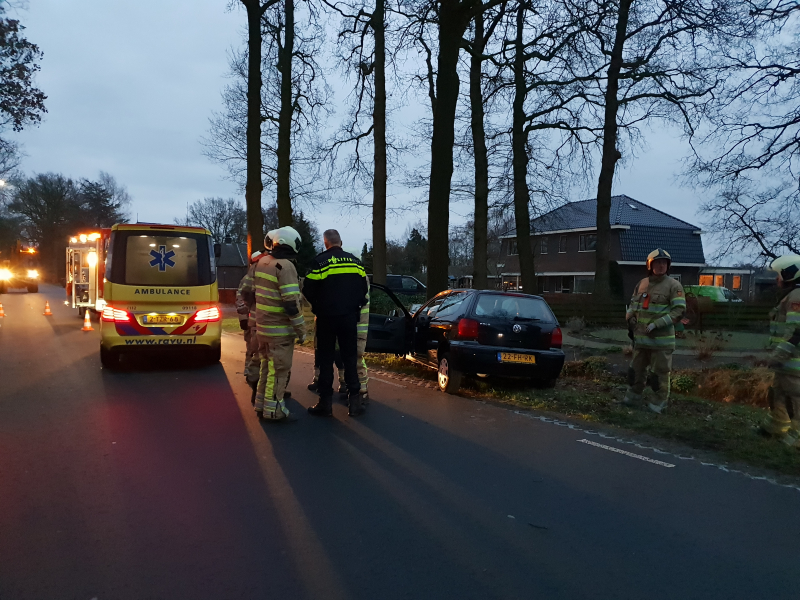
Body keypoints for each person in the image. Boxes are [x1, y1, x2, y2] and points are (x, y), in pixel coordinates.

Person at [302, 229, 369, 417]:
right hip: (349, 318)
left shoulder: (319, 262)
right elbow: (363, 290)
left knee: (325, 359)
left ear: (326, 243)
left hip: (326, 319)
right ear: (341, 241)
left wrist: (318, 306)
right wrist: (353, 306)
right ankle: (354, 403)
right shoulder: (355, 263)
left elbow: (307, 289)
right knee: (350, 359)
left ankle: (325, 403)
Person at [622, 248, 686, 413]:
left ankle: (658, 403)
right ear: (650, 265)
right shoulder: (641, 284)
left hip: (661, 341)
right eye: (657, 263)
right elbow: (633, 304)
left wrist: (656, 324)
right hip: (641, 339)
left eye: (664, 263)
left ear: (668, 265)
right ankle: (632, 398)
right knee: (635, 371)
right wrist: (630, 318)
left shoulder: (674, 285)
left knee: (659, 375)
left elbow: (679, 311)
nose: (661, 266)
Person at [253, 226, 306, 421]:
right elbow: (291, 304)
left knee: (266, 368)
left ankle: (261, 403)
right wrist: (301, 331)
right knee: (279, 371)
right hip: (280, 331)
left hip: (263, 328)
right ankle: (274, 410)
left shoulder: (263, 262)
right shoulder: (286, 267)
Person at [760, 254, 800, 446]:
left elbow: (795, 332)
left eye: (779, 275)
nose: (777, 279)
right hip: (786, 362)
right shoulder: (791, 296)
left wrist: (777, 356)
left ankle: (796, 436)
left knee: (795, 398)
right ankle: (776, 427)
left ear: (790, 274)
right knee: (778, 393)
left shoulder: (796, 298)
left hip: (793, 362)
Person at [235, 249, 263, 405]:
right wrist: (243, 318)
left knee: (256, 349)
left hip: (258, 319)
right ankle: (250, 373)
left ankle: (252, 374)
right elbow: (241, 298)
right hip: (252, 319)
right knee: (252, 348)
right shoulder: (248, 278)